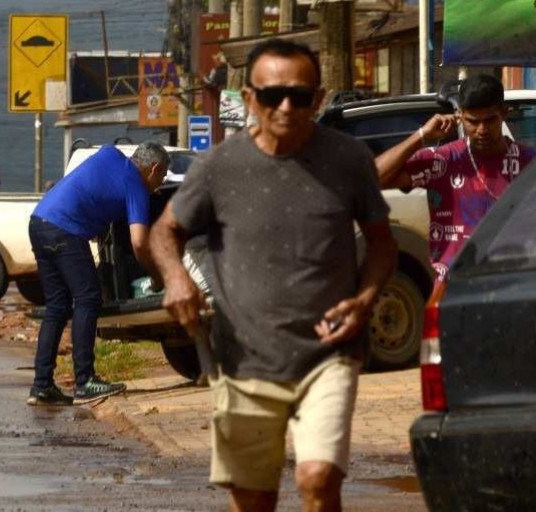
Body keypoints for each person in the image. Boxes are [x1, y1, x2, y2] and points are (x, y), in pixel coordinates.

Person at [144, 38, 397, 512]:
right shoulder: (219, 167)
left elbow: (383, 244)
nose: (285, 107)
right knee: (254, 498)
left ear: (319, 99)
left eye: (300, 96)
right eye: (270, 95)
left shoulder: (348, 161)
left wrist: (364, 301)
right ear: (248, 100)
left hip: (329, 353)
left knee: (318, 479)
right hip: (244, 360)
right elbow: (165, 231)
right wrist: (176, 279)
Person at [26, 141, 170, 406]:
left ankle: (42, 385)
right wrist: (157, 275)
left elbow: (94, 190)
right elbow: (139, 242)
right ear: (154, 168)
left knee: (57, 307)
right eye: (161, 176)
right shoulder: (136, 186)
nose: (159, 184)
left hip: (39, 222)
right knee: (88, 298)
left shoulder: (109, 154)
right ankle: (85, 382)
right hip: (64, 230)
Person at [376, 73, 534, 284]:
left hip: (513, 288)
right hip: (454, 290)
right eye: (472, 121)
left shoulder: (529, 163)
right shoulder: (443, 161)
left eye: (490, 120)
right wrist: (421, 135)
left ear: (505, 113)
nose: (482, 130)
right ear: (459, 116)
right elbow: (372, 179)